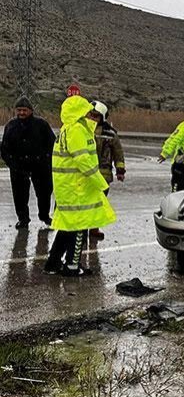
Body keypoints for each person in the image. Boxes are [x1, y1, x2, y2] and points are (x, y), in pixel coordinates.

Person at [43, 96, 116, 276]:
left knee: (68, 227)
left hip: (69, 187)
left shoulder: (67, 129)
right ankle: (72, 267)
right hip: (77, 188)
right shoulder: (77, 130)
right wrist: (100, 182)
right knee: (79, 229)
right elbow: (83, 161)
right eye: (88, 112)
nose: (91, 116)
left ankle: (53, 263)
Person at [1, 96, 56, 229]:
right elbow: (5, 149)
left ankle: (44, 216)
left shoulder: (41, 125)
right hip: (18, 167)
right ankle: (23, 219)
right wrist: (12, 164)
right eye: (19, 110)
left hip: (40, 167)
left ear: (31, 110)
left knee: (44, 193)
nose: (21, 113)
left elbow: (52, 144)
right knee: (19, 195)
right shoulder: (11, 126)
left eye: (24, 110)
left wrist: (46, 160)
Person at [88, 101, 126, 239]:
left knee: (99, 203)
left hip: (103, 174)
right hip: (85, 174)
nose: (92, 118)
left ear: (103, 117)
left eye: (96, 116)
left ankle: (94, 229)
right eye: (90, 115)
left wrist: (120, 170)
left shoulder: (110, 134)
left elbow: (118, 153)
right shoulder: (81, 130)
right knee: (85, 203)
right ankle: (81, 229)